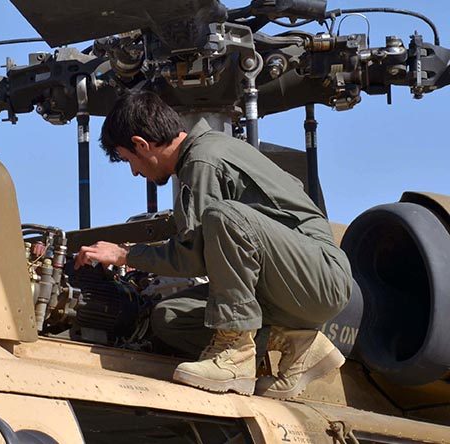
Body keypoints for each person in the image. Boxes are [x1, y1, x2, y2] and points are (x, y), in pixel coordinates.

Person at [74, 91, 352, 399]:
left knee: (224, 216)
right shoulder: (205, 154)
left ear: (142, 144)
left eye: (130, 160)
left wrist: (126, 255)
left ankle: (236, 356)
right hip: (283, 283)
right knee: (169, 317)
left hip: (319, 278)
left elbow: (193, 256)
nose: (136, 172)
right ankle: (300, 345)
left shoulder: (203, 161)